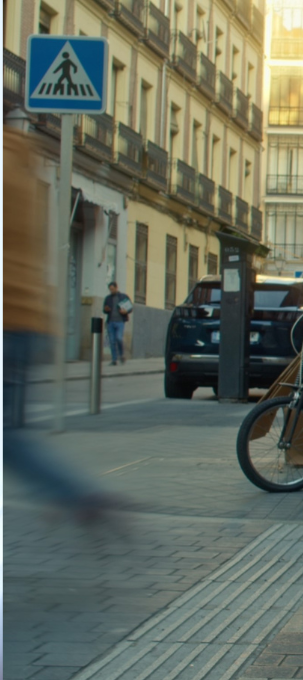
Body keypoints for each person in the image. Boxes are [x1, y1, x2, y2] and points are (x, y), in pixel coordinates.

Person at [4, 127, 116, 524]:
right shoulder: (20, 158)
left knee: (7, 440)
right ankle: (77, 495)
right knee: (9, 437)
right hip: (22, 319)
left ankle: (77, 495)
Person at [102, 282, 131, 365]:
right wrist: (106, 309)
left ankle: (121, 355)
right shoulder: (108, 298)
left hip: (120, 321)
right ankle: (114, 359)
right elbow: (104, 310)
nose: (111, 291)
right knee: (112, 341)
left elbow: (130, 308)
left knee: (119, 338)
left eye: (112, 289)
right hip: (110, 321)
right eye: (110, 289)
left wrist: (125, 311)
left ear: (116, 288)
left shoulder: (123, 297)